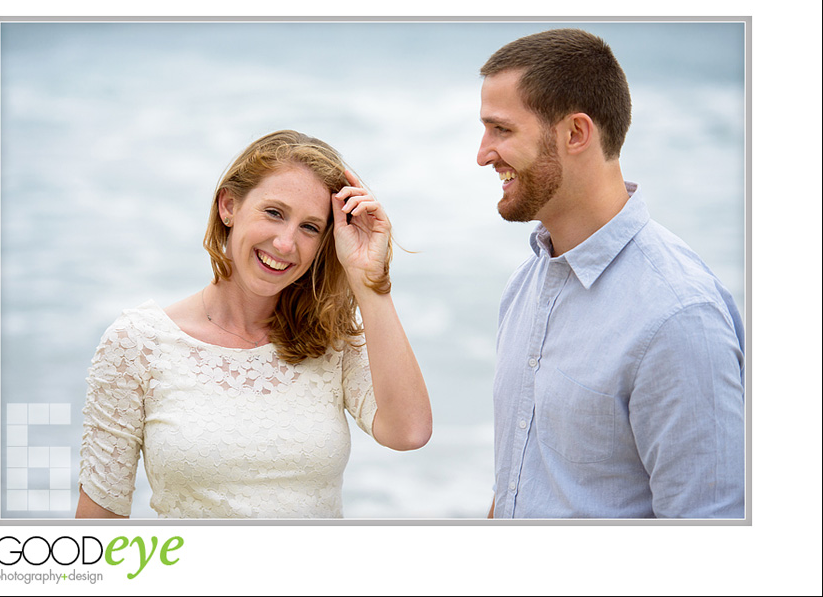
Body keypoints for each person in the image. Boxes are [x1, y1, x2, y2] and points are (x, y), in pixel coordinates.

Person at [75, 129, 432, 518]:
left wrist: (369, 280)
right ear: (229, 206)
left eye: (310, 227)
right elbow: (98, 526)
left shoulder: (331, 341)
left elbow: (408, 432)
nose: (285, 243)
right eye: (274, 213)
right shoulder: (138, 344)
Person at [477, 29, 745, 518]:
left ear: (576, 134)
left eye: (502, 130)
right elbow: (519, 481)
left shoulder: (678, 318)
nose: (482, 153)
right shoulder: (525, 284)